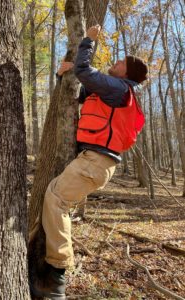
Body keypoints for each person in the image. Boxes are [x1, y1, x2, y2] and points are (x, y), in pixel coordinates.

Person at [31, 25, 148, 300]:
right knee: (56, 201)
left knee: (55, 199)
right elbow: (77, 92)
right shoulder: (108, 93)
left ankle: (57, 278)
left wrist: (88, 41)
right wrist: (61, 75)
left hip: (96, 162)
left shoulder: (120, 89)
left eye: (121, 63)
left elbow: (84, 71)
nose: (115, 62)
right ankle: (44, 267)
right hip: (91, 161)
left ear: (126, 74)